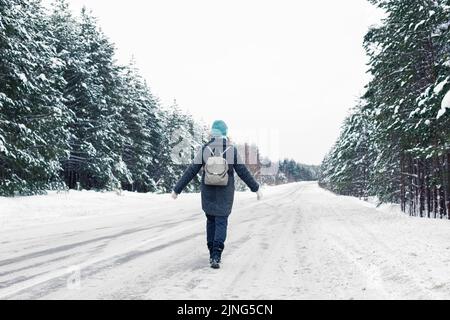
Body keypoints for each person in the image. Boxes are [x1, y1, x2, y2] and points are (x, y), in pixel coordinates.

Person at [172, 120, 262, 269]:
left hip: (208, 192)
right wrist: (256, 188)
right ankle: (216, 255)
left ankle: (211, 252)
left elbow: (191, 170)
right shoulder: (231, 150)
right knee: (221, 222)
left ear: (213, 133)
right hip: (225, 193)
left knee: (211, 221)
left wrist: (177, 189)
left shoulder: (205, 149)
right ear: (225, 133)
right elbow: (243, 172)